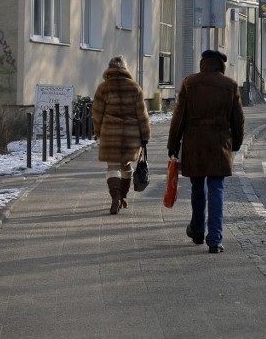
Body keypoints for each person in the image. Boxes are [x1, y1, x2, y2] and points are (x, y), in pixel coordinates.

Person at [167, 50, 245, 253]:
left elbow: (179, 117)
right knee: (216, 188)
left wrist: (173, 144)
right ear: (221, 65)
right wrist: (236, 142)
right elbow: (238, 119)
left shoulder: (189, 83)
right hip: (219, 144)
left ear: (203, 64)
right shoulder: (230, 85)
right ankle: (215, 239)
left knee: (197, 187)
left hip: (195, 144)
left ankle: (198, 230)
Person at [92, 56, 151, 215]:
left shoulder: (103, 88)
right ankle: (123, 196)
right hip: (131, 134)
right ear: (126, 69)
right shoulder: (135, 88)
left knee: (112, 166)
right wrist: (145, 135)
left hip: (110, 133)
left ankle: (115, 198)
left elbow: (97, 114)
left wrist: (98, 132)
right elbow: (142, 115)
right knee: (126, 165)